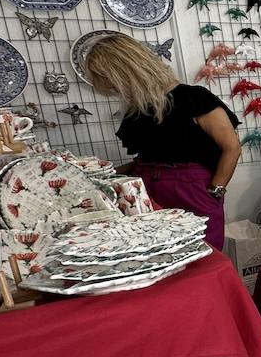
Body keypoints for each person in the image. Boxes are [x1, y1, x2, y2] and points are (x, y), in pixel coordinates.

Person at [84, 34, 240, 249]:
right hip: (146, 187)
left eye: (108, 79)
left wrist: (215, 191)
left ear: (125, 70)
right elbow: (148, 159)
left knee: (202, 253)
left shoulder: (192, 97)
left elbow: (231, 148)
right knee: (158, 254)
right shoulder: (138, 109)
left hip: (192, 188)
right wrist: (101, 177)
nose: (110, 87)